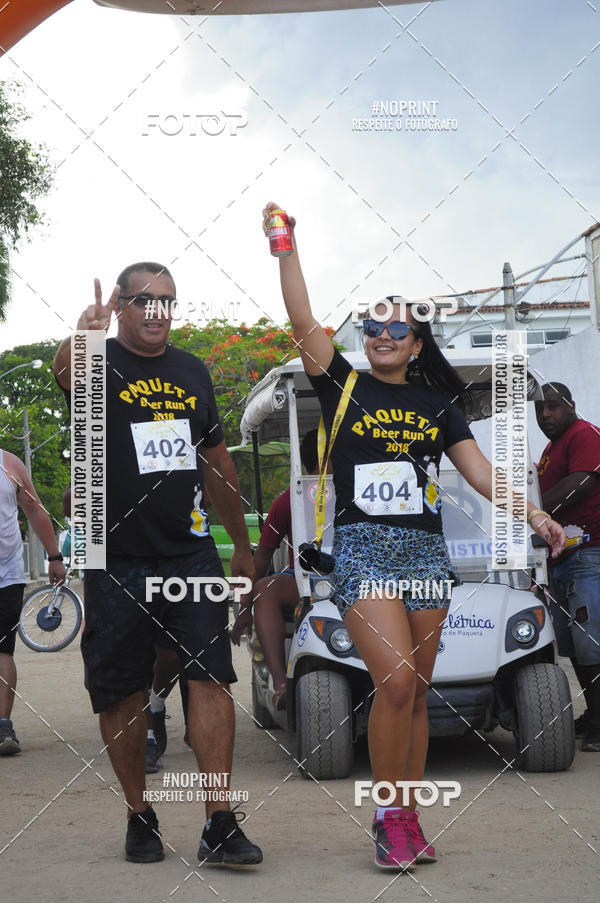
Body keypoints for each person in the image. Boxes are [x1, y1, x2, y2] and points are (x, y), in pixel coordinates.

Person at [262, 201, 565, 872]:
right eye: (374, 323)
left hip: (425, 556)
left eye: (397, 325)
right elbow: (302, 320)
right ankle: (385, 815)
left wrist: (536, 515)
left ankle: (408, 814)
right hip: (365, 552)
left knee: (417, 693)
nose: (382, 331)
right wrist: (285, 245)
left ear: (417, 343)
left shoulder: (438, 406)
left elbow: (482, 475)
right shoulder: (341, 385)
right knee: (395, 682)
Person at [53, 263, 262, 866]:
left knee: (211, 676)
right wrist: (82, 333)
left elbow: (216, 463)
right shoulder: (98, 359)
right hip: (113, 555)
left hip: (189, 552)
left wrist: (241, 548)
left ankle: (218, 820)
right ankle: (139, 814)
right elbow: (68, 370)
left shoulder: (192, 370)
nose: (156, 310)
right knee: (120, 690)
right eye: (142, 299)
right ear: (119, 305)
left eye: (166, 300)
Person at [230, 429, 320, 710]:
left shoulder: (361, 490)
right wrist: (245, 607)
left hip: (359, 572)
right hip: (305, 578)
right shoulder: (288, 500)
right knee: (264, 588)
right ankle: (282, 684)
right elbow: (263, 556)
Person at [535, 382, 600, 752]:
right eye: (540, 409)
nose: (545, 415)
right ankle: (594, 716)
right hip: (562, 559)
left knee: (591, 644)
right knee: (575, 646)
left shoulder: (584, 434)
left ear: (570, 405)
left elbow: (583, 483)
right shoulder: (551, 448)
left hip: (590, 554)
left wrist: (533, 507)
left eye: (552, 407)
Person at [0, 450, 66, 754]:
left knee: (3, 649)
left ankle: (2, 726)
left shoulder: (9, 464)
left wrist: (54, 556)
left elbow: (35, 510)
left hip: (6, 574)